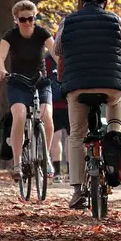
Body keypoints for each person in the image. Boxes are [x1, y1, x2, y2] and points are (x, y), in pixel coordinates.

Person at [54, 0, 121, 210]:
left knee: (77, 135)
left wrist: (62, 80)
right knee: (115, 115)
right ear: (105, 1)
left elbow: (60, 55)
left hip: (77, 85)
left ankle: (78, 190)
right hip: (111, 86)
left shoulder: (67, 22)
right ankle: (113, 141)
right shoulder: (116, 21)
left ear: (82, 0)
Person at [0, 0, 56, 181]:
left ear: (35, 17)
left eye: (31, 18)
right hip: (18, 82)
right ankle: (17, 163)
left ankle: (45, 157)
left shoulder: (42, 33)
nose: (28, 23)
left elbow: (55, 52)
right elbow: (0, 57)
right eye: (23, 19)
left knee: (47, 117)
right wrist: (1, 69)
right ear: (16, 20)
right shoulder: (10, 36)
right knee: (20, 115)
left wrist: (62, 67)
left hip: (41, 81)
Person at [45, 52, 69, 183]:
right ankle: (71, 172)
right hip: (71, 100)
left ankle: (57, 173)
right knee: (72, 138)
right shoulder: (72, 54)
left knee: (56, 137)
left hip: (54, 102)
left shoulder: (49, 58)